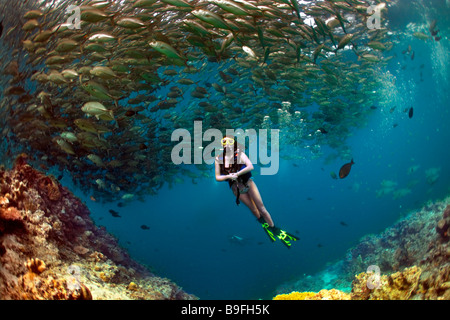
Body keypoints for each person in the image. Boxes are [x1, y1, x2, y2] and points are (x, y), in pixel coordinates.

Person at [215, 136, 299, 248]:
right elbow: (217, 177)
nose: (226, 144)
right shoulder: (218, 158)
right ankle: (264, 224)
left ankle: (274, 229)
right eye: (224, 142)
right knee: (253, 209)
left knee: (262, 208)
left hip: (248, 184)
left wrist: (237, 174)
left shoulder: (240, 154)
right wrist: (228, 176)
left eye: (229, 141)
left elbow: (250, 166)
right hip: (237, 189)